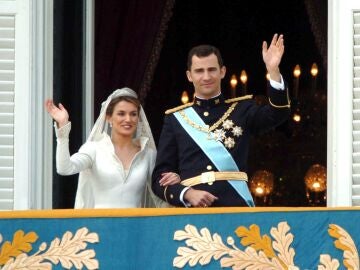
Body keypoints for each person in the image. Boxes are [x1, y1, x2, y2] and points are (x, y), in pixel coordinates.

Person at [152, 34, 290, 207]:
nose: (206, 76)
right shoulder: (176, 119)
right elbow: (159, 180)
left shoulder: (242, 109)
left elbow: (278, 114)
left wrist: (273, 70)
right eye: (199, 71)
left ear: (222, 71)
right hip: (192, 213)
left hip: (235, 207)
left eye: (212, 69)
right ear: (189, 75)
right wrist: (187, 193)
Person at [45, 87, 178, 208]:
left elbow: (159, 196)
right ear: (108, 118)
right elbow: (65, 168)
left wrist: (174, 181)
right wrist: (62, 130)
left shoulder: (148, 154)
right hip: (100, 228)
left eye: (133, 114)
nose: (128, 119)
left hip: (135, 229)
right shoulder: (94, 149)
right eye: (121, 113)